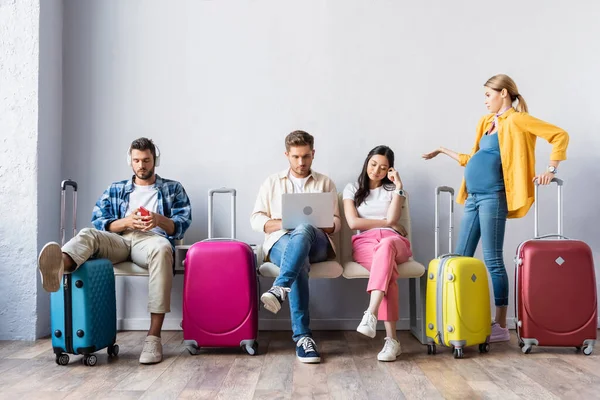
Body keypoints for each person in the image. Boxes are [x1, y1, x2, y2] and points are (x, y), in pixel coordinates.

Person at [422, 74, 569, 342]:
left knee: (491, 259)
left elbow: (560, 135)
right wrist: (443, 150)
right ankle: (460, 318)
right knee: (460, 257)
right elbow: (474, 158)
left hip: (494, 196)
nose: (485, 101)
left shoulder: (519, 119)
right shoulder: (486, 122)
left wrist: (550, 169)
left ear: (503, 93)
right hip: (473, 197)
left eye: (488, 95)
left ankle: (501, 325)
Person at [38, 137, 192, 363]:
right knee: (87, 234)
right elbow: (99, 221)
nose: (142, 165)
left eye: (147, 160)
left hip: (151, 240)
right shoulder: (116, 188)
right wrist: (128, 222)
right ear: (130, 161)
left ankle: (153, 338)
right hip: (118, 239)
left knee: (162, 248)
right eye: (137, 160)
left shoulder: (173, 188)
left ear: (155, 160)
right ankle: (59, 265)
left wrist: (157, 220)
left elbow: (182, 224)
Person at [250, 130, 340, 363]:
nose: (301, 162)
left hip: (317, 244)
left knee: (304, 229)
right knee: (299, 260)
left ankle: (280, 287)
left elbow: (337, 222)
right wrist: (285, 224)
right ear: (287, 155)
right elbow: (256, 219)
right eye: (296, 157)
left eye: (306, 157)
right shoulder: (272, 182)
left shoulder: (325, 182)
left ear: (313, 154)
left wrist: (315, 225)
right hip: (281, 243)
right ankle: (303, 338)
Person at [342, 145, 411, 361]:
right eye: (373, 164)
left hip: (395, 241)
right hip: (365, 243)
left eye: (383, 168)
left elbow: (392, 220)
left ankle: (370, 313)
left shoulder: (394, 190)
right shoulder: (351, 189)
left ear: (390, 169)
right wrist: (385, 223)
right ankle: (392, 342)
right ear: (367, 162)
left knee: (387, 245)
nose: (376, 171)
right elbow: (353, 222)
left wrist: (399, 185)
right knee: (387, 272)